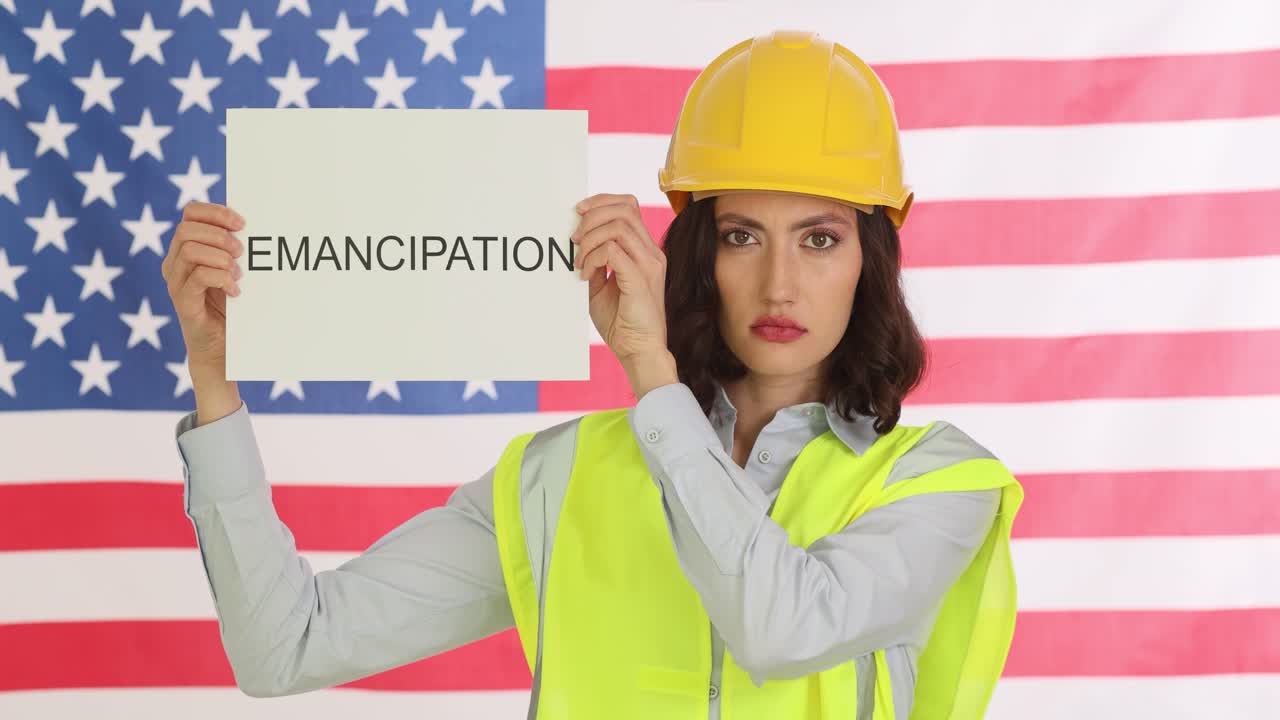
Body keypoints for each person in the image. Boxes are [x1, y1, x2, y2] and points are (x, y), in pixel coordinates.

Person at [163, 30, 1022, 720]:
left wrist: (656, 379)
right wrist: (215, 384)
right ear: (697, 254)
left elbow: (782, 626)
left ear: (870, 262)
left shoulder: (937, 483)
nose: (780, 284)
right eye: (741, 235)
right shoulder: (560, 478)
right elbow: (286, 647)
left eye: (820, 238)